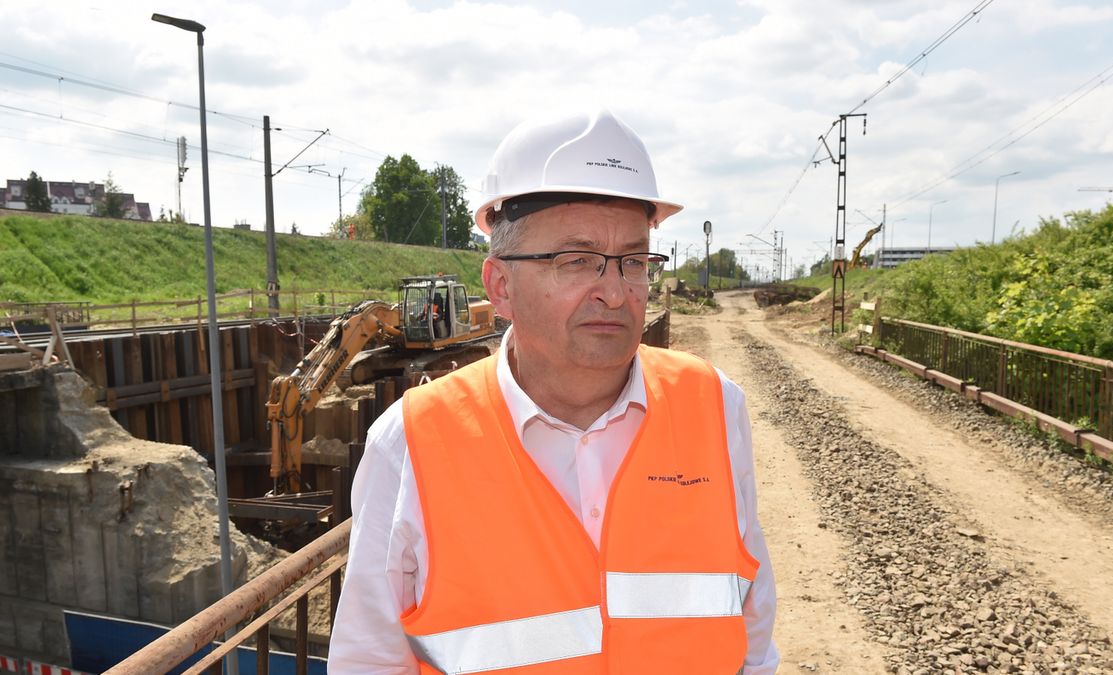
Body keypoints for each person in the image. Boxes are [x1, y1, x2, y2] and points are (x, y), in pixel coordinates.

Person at [329, 109, 778, 673]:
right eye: (577, 261)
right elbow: (369, 660)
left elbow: (752, 632)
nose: (615, 292)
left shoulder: (714, 407)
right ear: (500, 286)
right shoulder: (412, 442)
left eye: (633, 261)